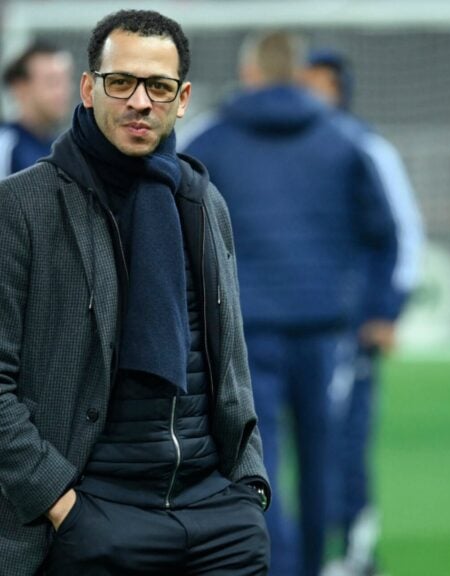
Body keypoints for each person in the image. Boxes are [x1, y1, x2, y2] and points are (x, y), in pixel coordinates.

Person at [0, 10, 271, 576]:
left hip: (217, 519)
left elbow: (231, 362)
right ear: (88, 89)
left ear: (183, 98)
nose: (140, 102)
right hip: (93, 519)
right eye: (121, 82)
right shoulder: (21, 207)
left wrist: (249, 488)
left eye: (159, 87)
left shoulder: (203, 201)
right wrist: (62, 506)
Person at [183, 32, 398, 576]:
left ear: (249, 72)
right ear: (298, 73)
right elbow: (385, 233)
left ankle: (274, 565)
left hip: (242, 331)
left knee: (255, 461)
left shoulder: (210, 141)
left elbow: (174, 231)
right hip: (325, 331)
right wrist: (378, 308)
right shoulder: (344, 140)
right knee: (322, 458)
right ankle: (313, 563)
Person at [303, 50, 423, 576]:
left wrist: (386, 311)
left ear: (339, 90)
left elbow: (404, 234)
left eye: (317, 85)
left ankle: (355, 551)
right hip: (292, 326)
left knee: (343, 439)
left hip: (349, 327)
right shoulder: (289, 152)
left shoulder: (367, 148)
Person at [0, 40, 72, 177]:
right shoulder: (6, 146)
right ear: (20, 88)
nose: (62, 92)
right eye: (52, 82)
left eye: (65, 81)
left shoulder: (64, 148)